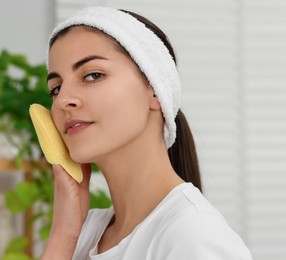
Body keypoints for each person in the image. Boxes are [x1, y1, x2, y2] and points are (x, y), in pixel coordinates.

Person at [40, 6, 252, 260]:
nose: (64, 99)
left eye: (92, 75)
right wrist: (63, 234)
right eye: (56, 88)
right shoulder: (84, 232)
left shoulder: (194, 237)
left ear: (155, 90)